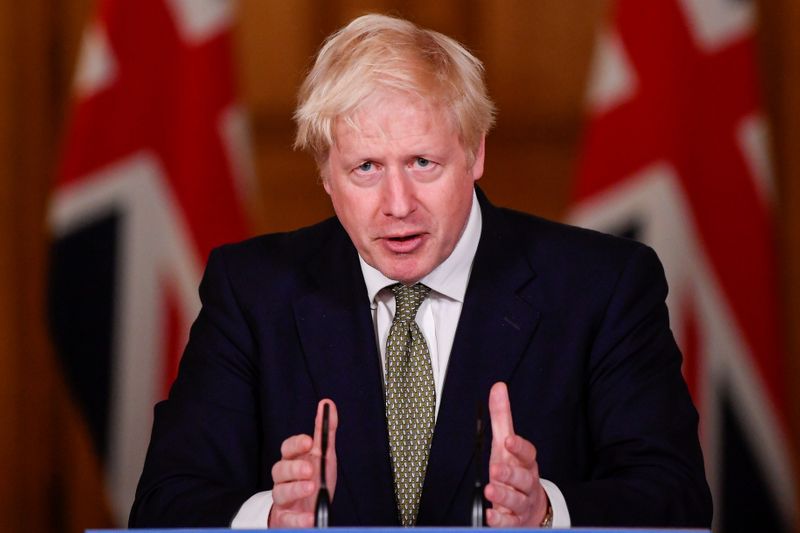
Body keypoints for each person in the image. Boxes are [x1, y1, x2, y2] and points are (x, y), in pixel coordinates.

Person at [129, 13, 712, 529]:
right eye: (365, 168)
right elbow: (163, 505)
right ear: (327, 174)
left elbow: (677, 500)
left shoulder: (603, 286)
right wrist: (271, 517)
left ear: (475, 152)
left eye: (423, 162)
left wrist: (547, 512)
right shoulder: (251, 291)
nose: (398, 203)